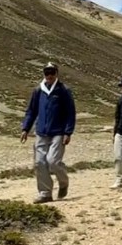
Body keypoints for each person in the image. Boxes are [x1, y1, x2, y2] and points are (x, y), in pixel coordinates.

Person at [21, 62, 76, 203]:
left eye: (52, 72)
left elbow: (71, 112)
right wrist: (25, 128)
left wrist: (68, 132)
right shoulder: (38, 90)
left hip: (58, 132)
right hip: (41, 132)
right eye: (47, 73)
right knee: (40, 162)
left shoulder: (63, 90)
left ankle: (63, 182)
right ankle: (45, 193)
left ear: (57, 73)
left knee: (53, 161)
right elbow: (31, 111)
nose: (49, 75)